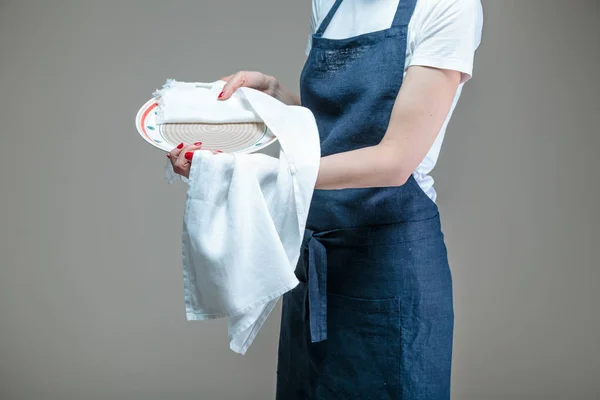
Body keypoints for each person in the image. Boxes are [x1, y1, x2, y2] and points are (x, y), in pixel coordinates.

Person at [169, 0, 483, 398]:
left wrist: (251, 173)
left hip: (390, 265)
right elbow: (332, 134)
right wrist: (273, 94)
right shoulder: (329, 4)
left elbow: (395, 160)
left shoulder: (448, 6)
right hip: (315, 262)